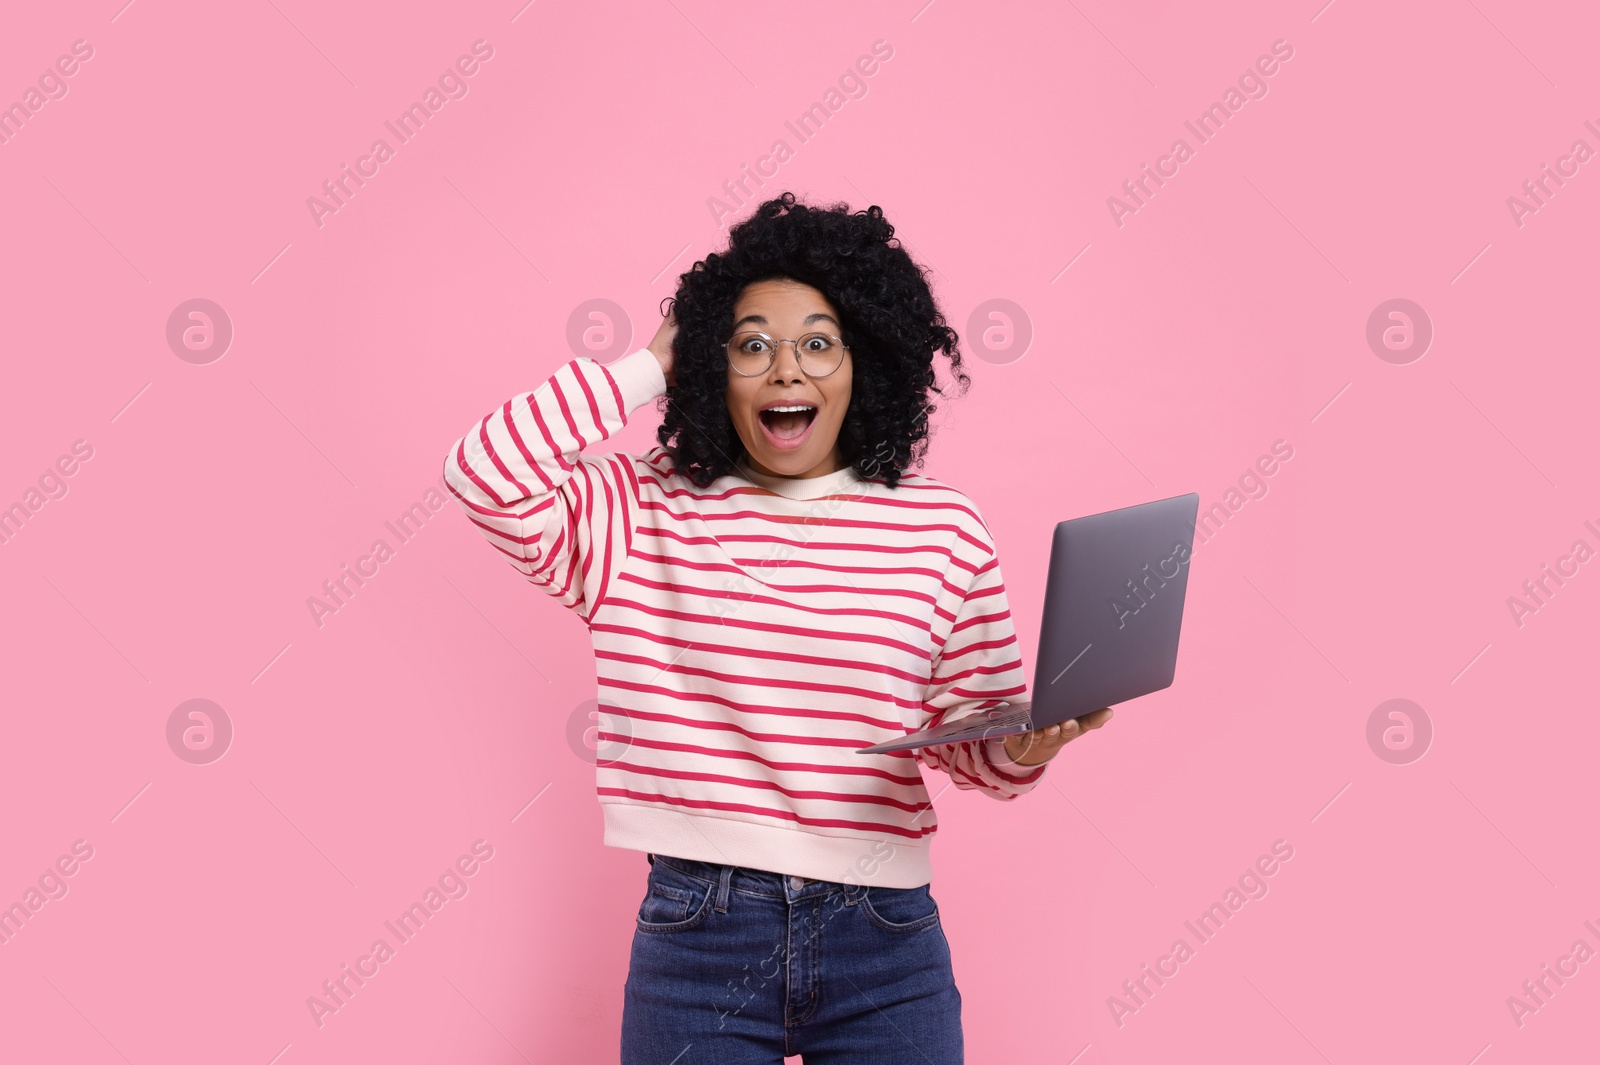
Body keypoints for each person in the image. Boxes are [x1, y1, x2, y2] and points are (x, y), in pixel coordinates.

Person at [442, 192, 1114, 1064]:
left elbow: (972, 749)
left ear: (863, 363)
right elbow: (482, 473)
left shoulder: (943, 530)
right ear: (711, 367)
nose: (786, 370)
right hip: (698, 936)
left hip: (888, 938)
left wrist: (1031, 743)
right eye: (751, 344)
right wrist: (650, 364)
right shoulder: (639, 510)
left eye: (818, 343)